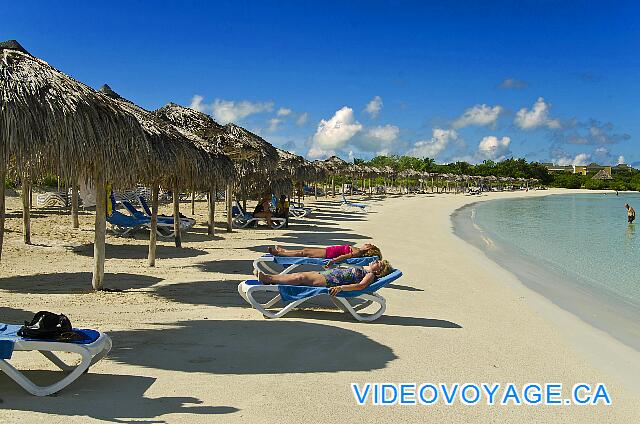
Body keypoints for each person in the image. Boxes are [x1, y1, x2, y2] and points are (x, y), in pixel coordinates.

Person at [255, 259, 393, 296]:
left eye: (378, 263)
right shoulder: (365, 270)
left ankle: (268, 279)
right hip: (330, 275)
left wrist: (340, 287)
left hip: (331, 281)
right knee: (296, 276)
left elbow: (360, 286)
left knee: (299, 278)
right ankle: (270, 279)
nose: (375, 261)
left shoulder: (370, 275)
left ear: (379, 271)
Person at [267, 243, 382, 264]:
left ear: (368, 250)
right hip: (328, 251)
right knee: (305, 250)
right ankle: (285, 251)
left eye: (369, 245)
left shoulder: (358, 251)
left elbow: (344, 257)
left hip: (328, 255)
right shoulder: (357, 250)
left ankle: (280, 254)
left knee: (303, 253)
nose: (368, 243)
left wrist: (333, 261)